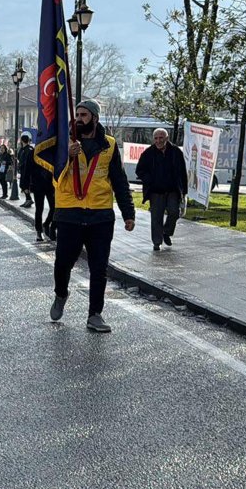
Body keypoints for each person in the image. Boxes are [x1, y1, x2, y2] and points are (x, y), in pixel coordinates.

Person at [50, 99, 136, 333]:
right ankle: (61, 294)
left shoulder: (108, 145)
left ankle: (95, 314)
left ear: (95, 118)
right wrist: (67, 156)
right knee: (63, 264)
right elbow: (55, 178)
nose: (79, 118)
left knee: (99, 268)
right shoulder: (63, 143)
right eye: (77, 114)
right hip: (70, 214)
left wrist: (128, 213)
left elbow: (119, 180)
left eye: (84, 115)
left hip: (100, 216)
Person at [135, 127, 188, 251]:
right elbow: (140, 170)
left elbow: (182, 173)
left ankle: (167, 232)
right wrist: (149, 180)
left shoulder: (176, 152)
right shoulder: (148, 153)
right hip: (156, 191)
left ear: (166, 138)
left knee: (174, 213)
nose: (158, 141)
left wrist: (184, 191)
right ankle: (157, 242)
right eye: (156, 138)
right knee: (156, 217)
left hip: (173, 190)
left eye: (161, 138)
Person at [25, 157, 56, 243]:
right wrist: (25, 186)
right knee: (39, 209)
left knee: (54, 208)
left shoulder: (51, 151)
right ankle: (39, 231)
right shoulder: (33, 153)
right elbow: (27, 170)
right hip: (37, 185)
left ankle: (47, 224)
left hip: (51, 185)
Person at [17, 134, 35, 207]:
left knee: (25, 185)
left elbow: (30, 161)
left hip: (27, 171)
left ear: (22, 140)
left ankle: (29, 199)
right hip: (22, 170)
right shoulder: (22, 149)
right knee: (22, 185)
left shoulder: (29, 149)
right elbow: (19, 157)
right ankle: (28, 200)